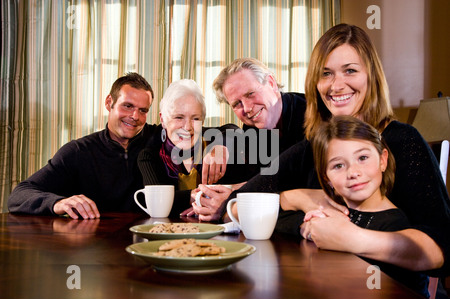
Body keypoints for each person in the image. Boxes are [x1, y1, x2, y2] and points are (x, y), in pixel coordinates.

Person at [217, 24, 450, 279]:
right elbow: (236, 205)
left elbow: (441, 248)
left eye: (350, 70)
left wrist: (352, 238)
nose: (336, 85)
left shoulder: (403, 140)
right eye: (326, 74)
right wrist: (299, 198)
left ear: (370, 75)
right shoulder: (310, 147)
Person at [305, 115, 429, 298]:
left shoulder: (395, 226)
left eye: (362, 157)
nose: (353, 172)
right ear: (326, 179)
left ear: (382, 160)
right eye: (338, 165)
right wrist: (309, 228)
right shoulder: (339, 214)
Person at [8, 72, 156, 219]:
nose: (135, 116)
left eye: (143, 110)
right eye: (128, 106)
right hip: (96, 239)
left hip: (154, 238)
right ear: (109, 102)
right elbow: (19, 195)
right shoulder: (79, 151)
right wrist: (58, 203)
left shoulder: (160, 139)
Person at [191, 58, 307, 218]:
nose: (247, 108)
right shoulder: (253, 126)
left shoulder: (311, 112)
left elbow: (301, 181)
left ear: (271, 83)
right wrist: (211, 196)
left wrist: (232, 198)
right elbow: (257, 179)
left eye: (251, 93)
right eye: (237, 104)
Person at [137, 79, 245, 218]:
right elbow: (156, 199)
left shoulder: (212, 141)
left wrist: (220, 147)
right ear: (163, 119)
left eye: (195, 118)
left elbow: (234, 130)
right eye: (179, 117)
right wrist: (198, 197)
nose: (188, 127)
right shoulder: (149, 156)